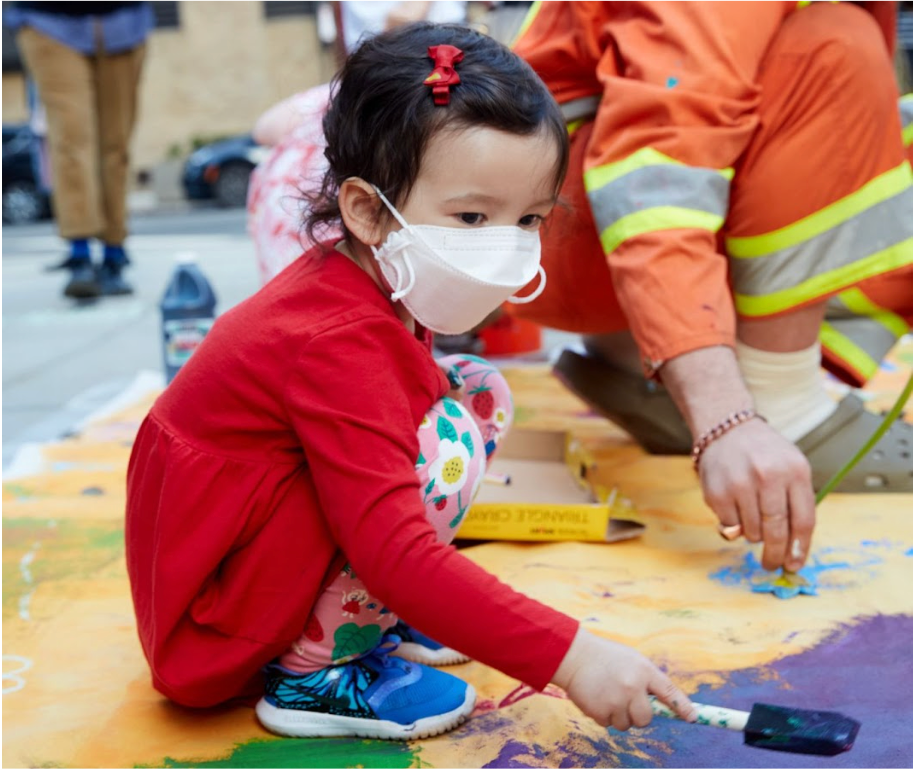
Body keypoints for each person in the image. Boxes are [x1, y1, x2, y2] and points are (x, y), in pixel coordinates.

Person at [125, 23, 697, 740]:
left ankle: (362, 613)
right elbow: (393, 548)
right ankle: (314, 673)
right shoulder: (338, 339)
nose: (504, 244)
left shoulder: (383, 283)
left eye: (528, 219)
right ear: (366, 209)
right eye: (471, 217)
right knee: (431, 454)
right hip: (214, 612)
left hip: (253, 540)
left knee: (472, 392)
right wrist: (575, 658)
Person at [506, 2, 913, 573]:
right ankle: (781, 403)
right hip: (549, 224)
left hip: (562, 218)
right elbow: (655, 179)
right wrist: (727, 419)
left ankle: (640, 368)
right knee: (833, 47)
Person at [5, 1, 153, 299]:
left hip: (123, 22)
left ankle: (114, 252)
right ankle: (80, 253)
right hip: (49, 21)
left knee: (117, 146)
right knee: (72, 141)